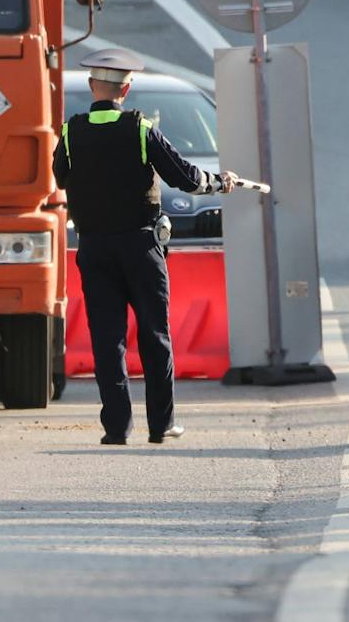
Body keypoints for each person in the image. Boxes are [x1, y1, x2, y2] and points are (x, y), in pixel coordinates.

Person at [53, 47, 237, 445]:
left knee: (107, 339)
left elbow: (60, 177)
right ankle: (162, 424)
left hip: (95, 248)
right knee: (155, 334)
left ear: (92, 86)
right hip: (140, 245)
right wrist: (219, 182)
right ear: (127, 88)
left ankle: (116, 428)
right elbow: (184, 177)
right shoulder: (139, 128)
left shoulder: (71, 131)